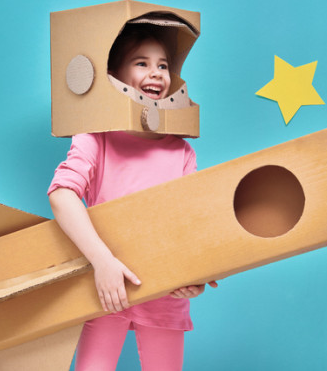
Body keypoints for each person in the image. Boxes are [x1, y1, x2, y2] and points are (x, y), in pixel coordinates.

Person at [48, 23, 216, 371]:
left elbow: (193, 221)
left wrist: (196, 274)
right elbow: (63, 195)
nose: (155, 73)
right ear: (114, 76)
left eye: (163, 65)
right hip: (105, 288)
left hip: (165, 293)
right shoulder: (96, 138)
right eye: (141, 63)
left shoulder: (180, 149)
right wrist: (103, 263)